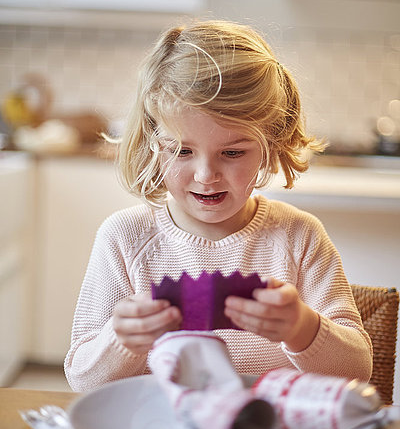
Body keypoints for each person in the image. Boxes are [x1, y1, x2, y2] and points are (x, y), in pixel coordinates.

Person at [64, 20, 372, 391]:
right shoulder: (125, 238)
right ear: (152, 142)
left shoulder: (298, 237)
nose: (206, 174)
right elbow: (82, 378)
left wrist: (301, 328)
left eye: (232, 152)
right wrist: (120, 339)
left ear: (270, 146)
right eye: (181, 150)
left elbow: (359, 370)